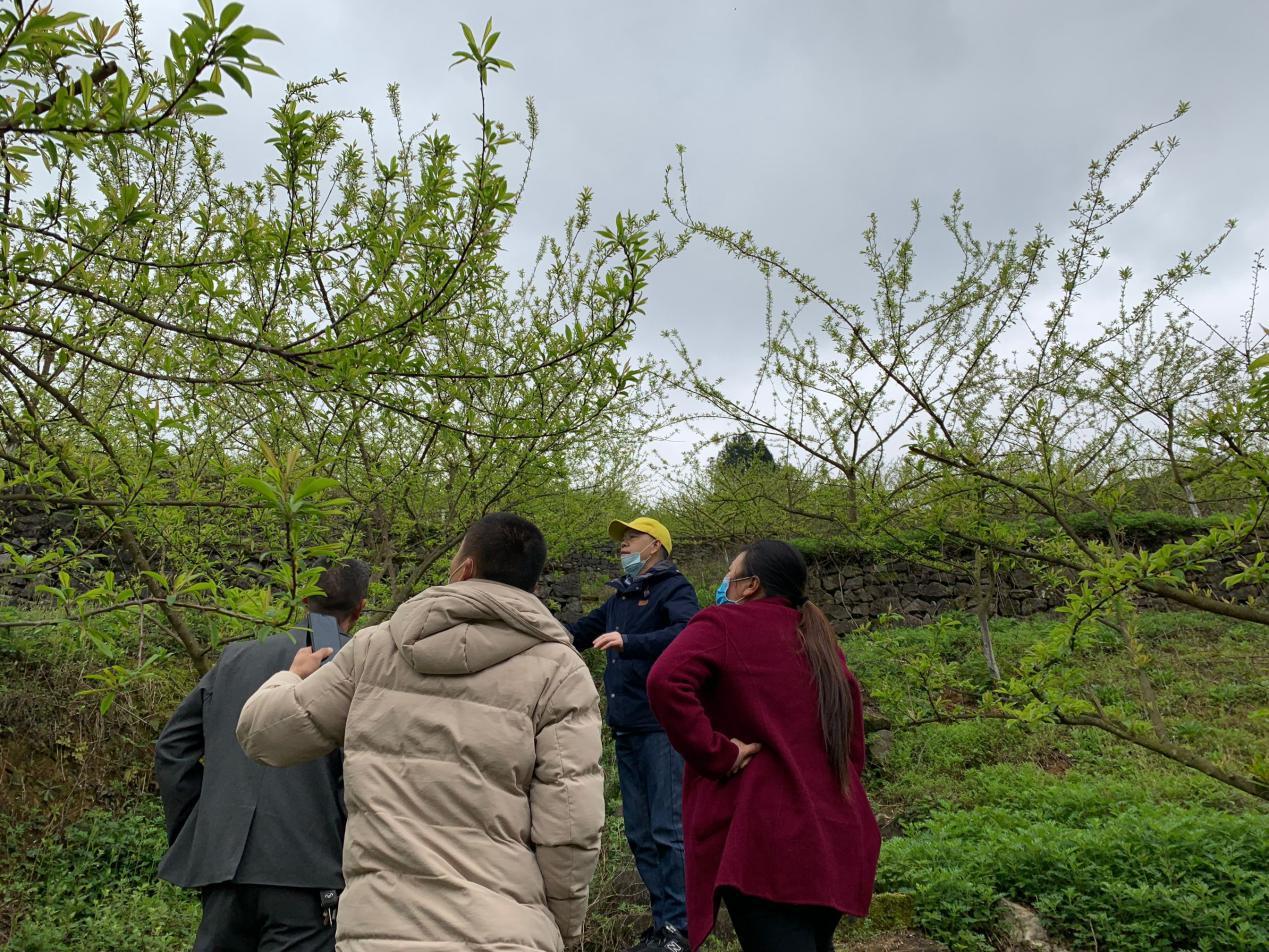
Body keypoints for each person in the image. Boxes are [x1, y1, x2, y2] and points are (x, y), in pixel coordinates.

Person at [236, 513, 604, 952]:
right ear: (535, 587)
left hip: (378, 933)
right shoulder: (562, 673)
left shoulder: (374, 648)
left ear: (464, 569)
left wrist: (290, 679)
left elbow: (264, 734)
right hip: (504, 932)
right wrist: (561, 931)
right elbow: (570, 827)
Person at [646, 540, 880, 952]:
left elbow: (664, 681)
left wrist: (719, 753)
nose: (724, 584)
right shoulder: (821, 641)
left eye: (729, 575)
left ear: (750, 585)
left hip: (765, 839)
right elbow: (851, 745)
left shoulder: (721, 625)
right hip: (836, 835)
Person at [155, 558, 371, 952]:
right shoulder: (360, 670)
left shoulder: (236, 658)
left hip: (224, 871)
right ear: (360, 609)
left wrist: (202, 831)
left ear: (303, 596)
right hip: (308, 874)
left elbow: (173, 749)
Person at [567, 516, 700, 952]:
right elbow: (576, 633)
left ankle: (681, 928)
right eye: (621, 541)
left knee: (667, 830)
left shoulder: (673, 589)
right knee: (640, 834)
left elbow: (687, 633)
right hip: (625, 727)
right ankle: (662, 926)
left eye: (630, 539)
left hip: (660, 726)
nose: (622, 546)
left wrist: (630, 641)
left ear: (655, 546)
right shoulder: (619, 598)